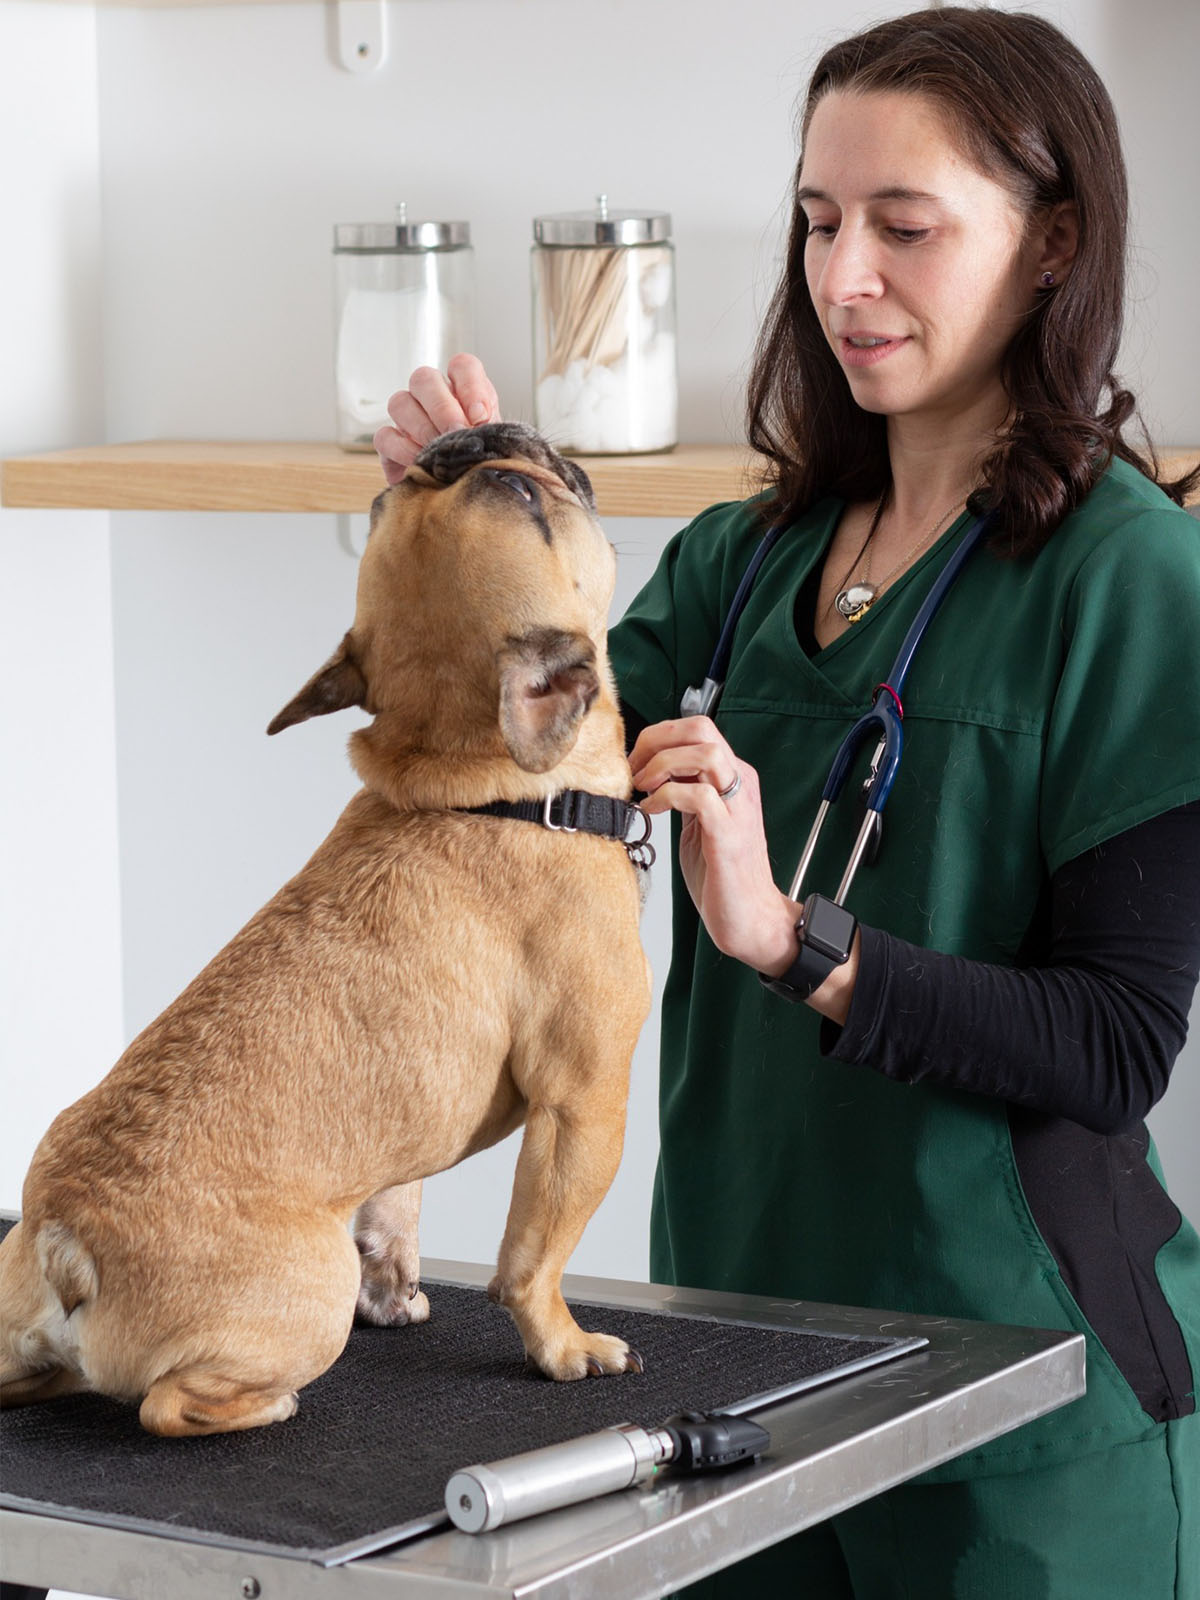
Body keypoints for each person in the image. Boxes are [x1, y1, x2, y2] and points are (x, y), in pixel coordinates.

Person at [375, 8, 1200, 1594]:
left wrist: (795, 941)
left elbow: (1116, 1044)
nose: (843, 278)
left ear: (1053, 244)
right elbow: (505, 757)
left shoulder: (1132, 584)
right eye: (820, 222)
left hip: (1028, 1429)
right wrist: (467, 517)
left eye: (906, 226)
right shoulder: (743, 561)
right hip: (735, 1385)